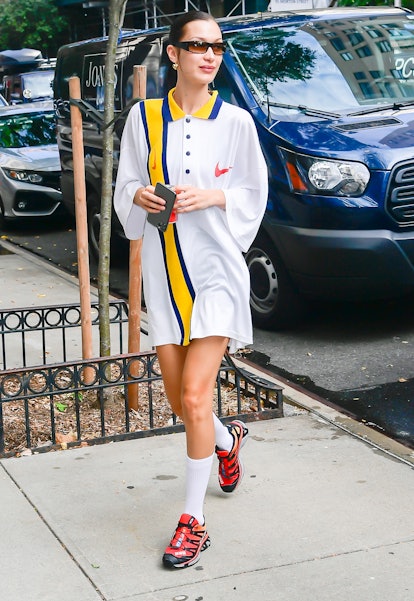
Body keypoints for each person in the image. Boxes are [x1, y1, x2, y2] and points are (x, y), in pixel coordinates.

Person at [114, 10, 268, 569]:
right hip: (163, 268)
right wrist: (138, 197)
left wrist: (216, 197)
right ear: (173, 53)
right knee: (184, 402)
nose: (210, 55)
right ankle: (228, 443)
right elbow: (126, 181)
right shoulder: (143, 116)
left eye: (218, 47)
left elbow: (253, 192)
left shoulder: (237, 123)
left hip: (216, 271)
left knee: (197, 397)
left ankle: (192, 522)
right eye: (198, 45)